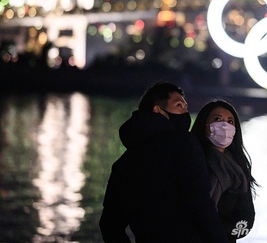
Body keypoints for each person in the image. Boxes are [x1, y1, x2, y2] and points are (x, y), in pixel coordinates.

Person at [99, 82, 228, 243]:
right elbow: (200, 204)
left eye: (186, 107)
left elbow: (110, 226)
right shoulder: (184, 144)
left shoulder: (123, 163)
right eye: (179, 105)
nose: (185, 112)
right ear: (158, 110)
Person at [191, 99, 257, 242]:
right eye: (217, 119)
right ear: (204, 125)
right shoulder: (191, 161)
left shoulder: (239, 169)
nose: (224, 125)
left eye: (230, 121)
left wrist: (219, 234)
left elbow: (246, 221)